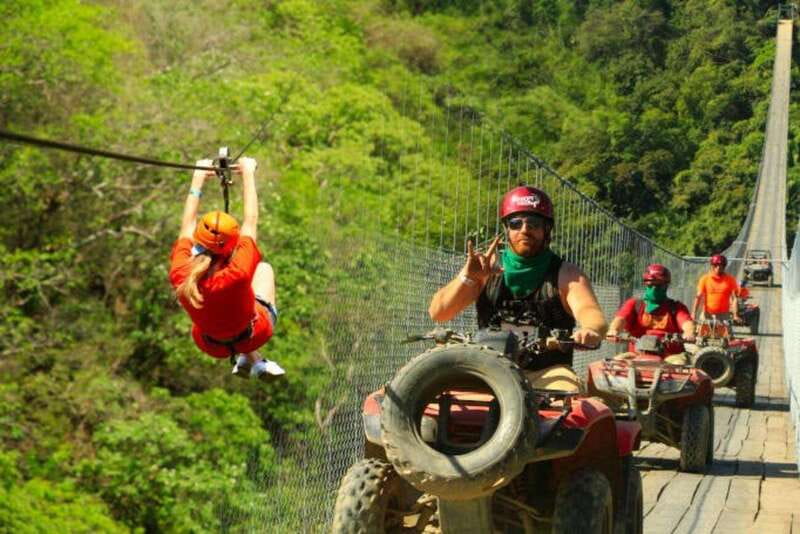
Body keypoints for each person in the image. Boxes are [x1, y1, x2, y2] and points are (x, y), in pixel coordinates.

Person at [428, 185, 608, 392]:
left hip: (547, 373)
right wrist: (467, 277)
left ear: (546, 229)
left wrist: (590, 330)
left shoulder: (567, 274)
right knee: (441, 397)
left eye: (534, 223)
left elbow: (590, 312)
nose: (524, 229)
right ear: (506, 228)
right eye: (516, 223)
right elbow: (438, 312)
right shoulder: (487, 267)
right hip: (487, 369)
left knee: (567, 396)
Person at [168, 157, 285, 381]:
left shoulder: (180, 273)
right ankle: (251, 356)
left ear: (197, 240)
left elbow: (186, 227)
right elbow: (251, 220)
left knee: (220, 316)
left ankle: (253, 360)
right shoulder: (237, 273)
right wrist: (248, 173)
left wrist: (198, 177)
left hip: (211, 344)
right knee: (264, 270)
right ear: (231, 246)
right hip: (254, 334)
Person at [606, 264, 696, 365]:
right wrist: (613, 330)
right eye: (650, 284)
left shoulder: (676, 307)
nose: (653, 288)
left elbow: (686, 322)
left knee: (678, 364)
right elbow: (620, 319)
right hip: (637, 355)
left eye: (658, 285)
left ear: (666, 286)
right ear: (645, 284)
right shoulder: (635, 304)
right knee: (615, 363)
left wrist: (689, 332)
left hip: (670, 357)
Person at [692, 254, 740, 324]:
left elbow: (734, 298)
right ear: (712, 266)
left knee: (726, 334)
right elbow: (698, 297)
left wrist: (735, 315)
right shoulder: (705, 279)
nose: (718, 268)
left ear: (724, 267)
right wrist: (693, 313)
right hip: (707, 314)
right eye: (715, 265)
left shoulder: (730, 280)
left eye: (721, 266)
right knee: (700, 333)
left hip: (724, 315)